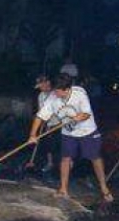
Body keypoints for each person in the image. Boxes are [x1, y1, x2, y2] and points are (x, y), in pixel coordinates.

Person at [28, 73, 113, 203]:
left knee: (95, 158)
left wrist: (77, 117)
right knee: (65, 158)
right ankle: (63, 189)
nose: (55, 94)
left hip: (87, 131)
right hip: (68, 133)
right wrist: (33, 135)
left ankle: (104, 187)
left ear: (67, 89)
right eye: (54, 91)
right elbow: (40, 117)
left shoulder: (79, 93)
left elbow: (86, 114)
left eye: (58, 92)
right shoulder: (52, 97)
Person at [26, 74, 59, 175]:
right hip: (49, 124)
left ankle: (66, 165)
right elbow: (41, 112)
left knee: (60, 146)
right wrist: (43, 124)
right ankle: (50, 163)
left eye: (41, 85)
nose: (40, 87)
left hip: (60, 123)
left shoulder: (56, 93)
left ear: (47, 83)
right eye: (39, 86)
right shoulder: (41, 95)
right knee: (48, 144)